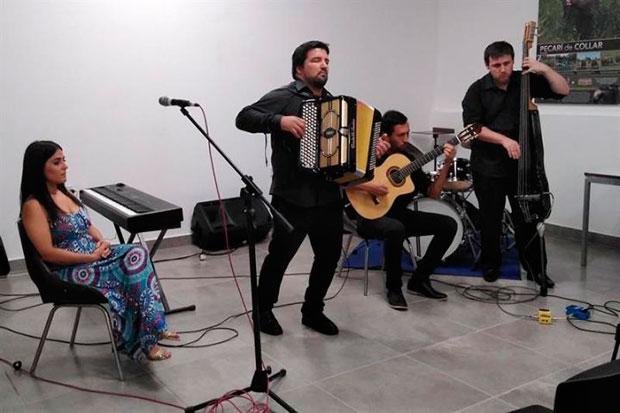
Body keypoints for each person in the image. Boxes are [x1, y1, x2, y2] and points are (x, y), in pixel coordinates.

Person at [20, 141, 178, 361]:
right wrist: (91, 256)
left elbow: (87, 226)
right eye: (57, 162)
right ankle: (147, 338)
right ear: (39, 168)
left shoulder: (65, 193)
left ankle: (149, 330)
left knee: (137, 253)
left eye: (64, 160)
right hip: (71, 270)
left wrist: (101, 241)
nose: (64, 166)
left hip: (93, 258)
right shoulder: (34, 206)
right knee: (130, 268)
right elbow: (47, 253)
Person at [235, 40, 342, 336]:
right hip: (293, 194)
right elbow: (243, 117)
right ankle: (263, 309)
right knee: (281, 255)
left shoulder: (335, 104)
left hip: (329, 195)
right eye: (316, 60)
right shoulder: (284, 96)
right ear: (299, 68)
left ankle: (313, 310)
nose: (324, 65)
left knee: (329, 255)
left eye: (327, 60)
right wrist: (279, 121)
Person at [461, 41, 569, 285]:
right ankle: (490, 266)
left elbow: (563, 90)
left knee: (527, 219)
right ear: (487, 65)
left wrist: (544, 69)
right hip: (488, 166)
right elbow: (472, 128)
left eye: (507, 63)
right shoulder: (476, 90)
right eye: (496, 65)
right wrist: (504, 140)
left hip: (523, 166)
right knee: (490, 219)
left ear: (513, 61)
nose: (502, 69)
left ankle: (536, 269)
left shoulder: (526, 81)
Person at [352, 110, 458, 310]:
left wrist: (447, 163)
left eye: (408, 133)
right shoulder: (368, 154)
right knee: (395, 229)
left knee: (448, 225)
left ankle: (419, 280)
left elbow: (433, 193)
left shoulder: (408, 158)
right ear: (386, 135)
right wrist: (370, 186)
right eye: (401, 135)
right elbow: (344, 182)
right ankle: (394, 288)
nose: (406, 139)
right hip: (368, 215)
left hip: (398, 215)